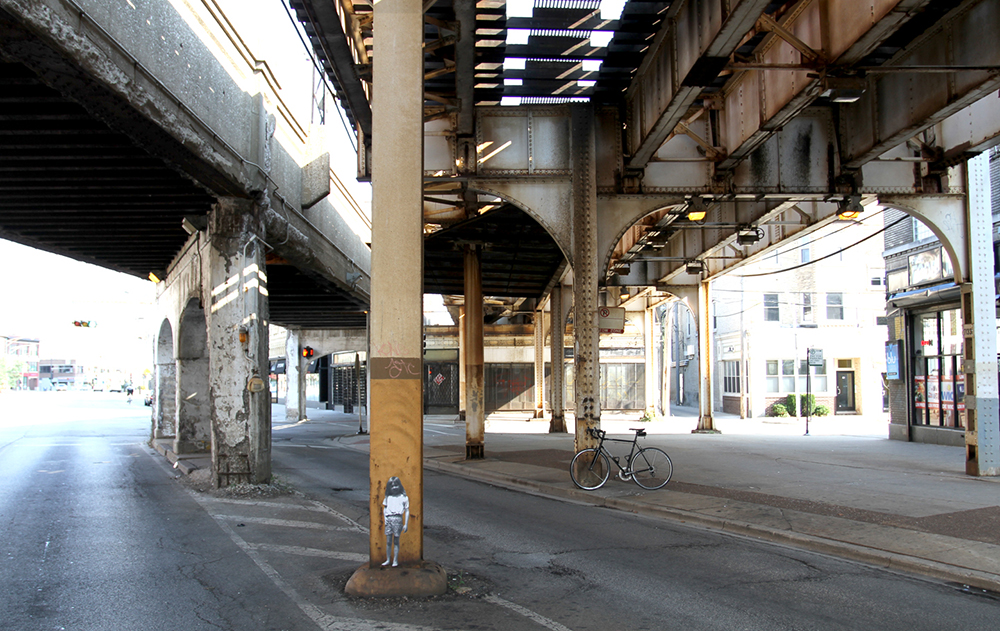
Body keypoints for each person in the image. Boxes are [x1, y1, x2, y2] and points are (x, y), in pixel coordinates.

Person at [381, 476, 409, 567]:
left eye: (396, 485)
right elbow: (385, 508)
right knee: (388, 541)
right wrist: (385, 519)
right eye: (392, 486)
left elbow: (407, 510)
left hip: (398, 518)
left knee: (396, 541)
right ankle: (388, 559)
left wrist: (406, 524)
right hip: (389, 518)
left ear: (399, 486)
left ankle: (395, 560)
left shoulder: (403, 497)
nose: (394, 488)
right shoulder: (388, 497)